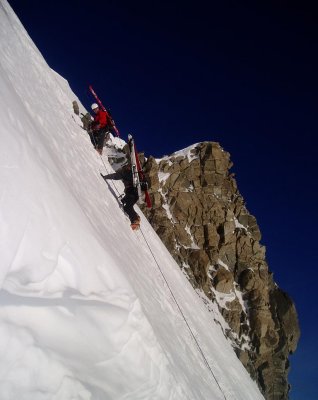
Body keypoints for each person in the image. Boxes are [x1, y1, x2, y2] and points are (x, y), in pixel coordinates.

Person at [101, 161, 141, 230]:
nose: (125, 167)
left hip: (131, 194)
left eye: (127, 166)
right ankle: (136, 217)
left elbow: (115, 176)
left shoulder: (126, 173)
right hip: (134, 194)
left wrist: (105, 177)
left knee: (128, 207)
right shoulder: (135, 175)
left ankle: (135, 221)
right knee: (124, 203)